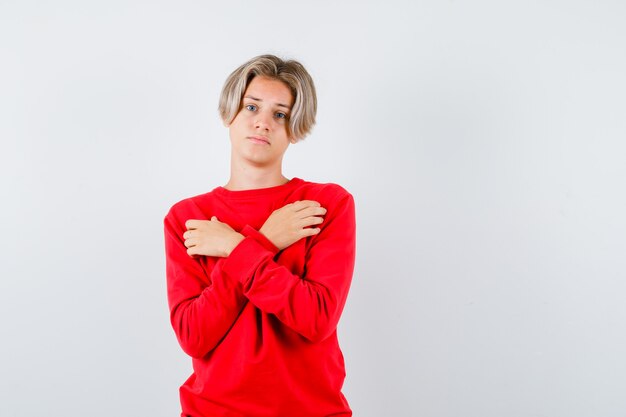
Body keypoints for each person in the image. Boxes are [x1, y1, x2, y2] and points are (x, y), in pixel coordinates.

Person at [164, 54, 356, 417]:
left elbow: (316, 320)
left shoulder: (326, 205)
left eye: (280, 113)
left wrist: (235, 246)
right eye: (251, 106)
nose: (263, 123)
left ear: (295, 128)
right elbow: (194, 336)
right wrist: (265, 243)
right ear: (229, 115)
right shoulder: (188, 219)